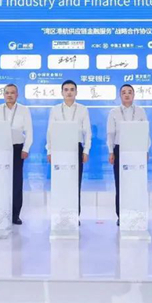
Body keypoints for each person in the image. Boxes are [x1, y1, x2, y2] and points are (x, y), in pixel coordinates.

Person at [46, 80, 92, 216]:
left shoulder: (83, 109)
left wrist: (86, 150)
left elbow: (87, 132)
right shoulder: (55, 109)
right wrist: (49, 150)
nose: (69, 92)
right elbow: (50, 131)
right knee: (60, 183)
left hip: (76, 148)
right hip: (59, 148)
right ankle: (59, 214)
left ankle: (74, 216)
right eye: (66, 90)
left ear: (76, 92)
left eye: (72, 89)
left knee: (75, 183)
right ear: (62, 92)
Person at [0, 84, 32, 225]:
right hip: (1, 148)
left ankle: (15, 214)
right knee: (1, 181)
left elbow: (29, 131)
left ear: (17, 95)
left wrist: (26, 149)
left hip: (17, 149)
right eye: (7, 93)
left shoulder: (24, 110)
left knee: (16, 182)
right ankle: (1, 212)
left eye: (12, 93)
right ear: (3, 95)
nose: (9, 95)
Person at [107, 84, 149, 225]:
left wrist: (145, 150)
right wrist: (111, 151)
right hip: (120, 149)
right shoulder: (114, 112)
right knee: (121, 183)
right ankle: (121, 215)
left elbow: (145, 132)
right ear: (120, 95)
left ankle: (137, 213)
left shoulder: (140, 111)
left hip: (137, 150)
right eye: (124, 92)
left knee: (136, 183)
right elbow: (110, 134)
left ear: (134, 95)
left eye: (129, 92)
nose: (127, 94)